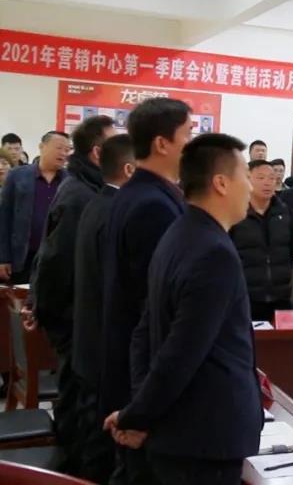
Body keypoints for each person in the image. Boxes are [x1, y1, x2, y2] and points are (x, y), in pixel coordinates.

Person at [105, 133, 261, 485]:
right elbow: (181, 353)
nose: (251, 187)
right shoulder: (214, 253)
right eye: (246, 176)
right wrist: (137, 416)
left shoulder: (178, 233)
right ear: (221, 183)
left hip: (179, 429)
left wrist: (139, 411)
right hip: (204, 436)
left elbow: (144, 335)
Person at [100, 97, 192, 484]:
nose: (193, 144)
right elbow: (153, 309)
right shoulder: (153, 206)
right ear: (162, 143)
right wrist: (146, 404)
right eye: (188, 134)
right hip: (142, 377)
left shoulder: (136, 193)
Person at [29, 115, 115, 473]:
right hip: (74, 319)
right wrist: (49, 313)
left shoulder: (84, 186)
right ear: (97, 152)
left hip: (76, 317)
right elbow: (55, 259)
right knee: (78, 404)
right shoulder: (81, 195)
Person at [71, 134, 135, 484]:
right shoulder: (116, 213)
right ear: (130, 170)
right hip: (104, 347)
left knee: (92, 433)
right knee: (100, 444)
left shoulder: (97, 202)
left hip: (89, 341)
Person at [0, 130, 71, 284]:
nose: (63, 153)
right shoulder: (17, 175)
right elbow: (4, 218)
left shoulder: (70, 180)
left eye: (67, 150)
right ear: (42, 147)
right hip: (22, 256)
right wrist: (3, 258)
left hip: (56, 258)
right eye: (59, 148)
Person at [230, 160, 293, 321]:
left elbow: (291, 249)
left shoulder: (284, 211)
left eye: (272, 178)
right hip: (245, 295)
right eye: (260, 178)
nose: (267, 182)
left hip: (280, 295)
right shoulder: (236, 213)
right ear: (247, 180)